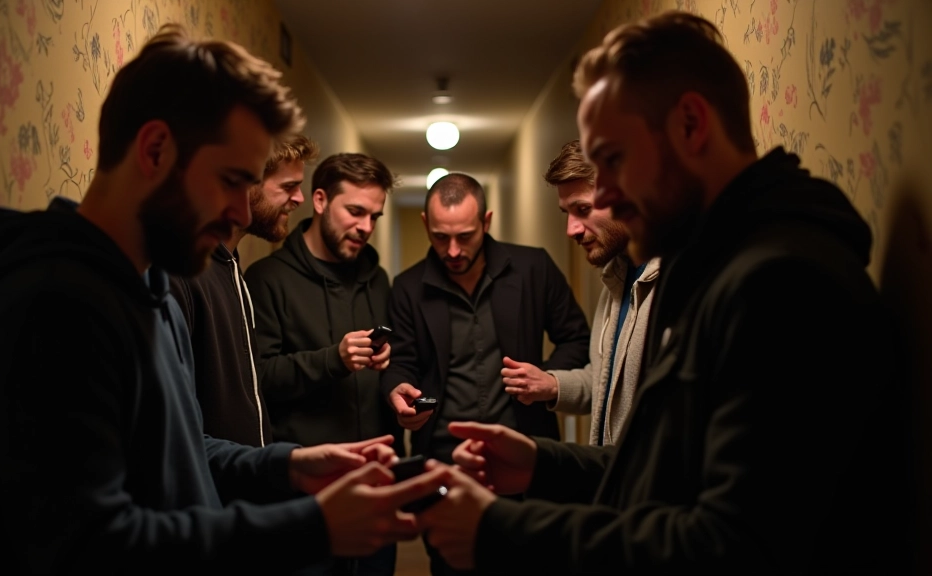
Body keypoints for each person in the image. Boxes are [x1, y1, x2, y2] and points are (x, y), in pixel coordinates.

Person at [0, 24, 447, 574]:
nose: (240, 212)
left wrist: (289, 465)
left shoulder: (150, 291)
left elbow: (182, 448)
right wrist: (315, 526)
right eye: (231, 180)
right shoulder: (55, 306)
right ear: (155, 150)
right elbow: (87, 548)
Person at [417, 11, 906, 574]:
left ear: (691, 125)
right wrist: (542, 465)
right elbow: (669, 477)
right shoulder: (705, 269)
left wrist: (501, 530)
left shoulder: (782, 286)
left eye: (613, 160)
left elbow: (731, 547)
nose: (605, 197)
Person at [381, 172, 590, 575]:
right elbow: (400, 363)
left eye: (465, 236)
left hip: (525, 454)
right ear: (425, 223)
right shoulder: (407, 287)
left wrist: (547, 380)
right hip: (444, 463)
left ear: (486, 221)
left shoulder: (533, 267)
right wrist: (397, 390)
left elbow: (576, 339)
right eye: (440, 237)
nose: (453, 250)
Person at [243, 152, 401, 576]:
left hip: (375, 486)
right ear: (318, 200)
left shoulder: (378, 280)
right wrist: (334, 359)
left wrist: (392, 374)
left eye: (374, 216)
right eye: (355, 211)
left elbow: (393, 365)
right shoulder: (267, 279)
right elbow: (259, 380)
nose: (366, 227)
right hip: (305, 496)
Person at [501, 140, 659, 446]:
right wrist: (552, 384)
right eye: (567, 212)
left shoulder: (676, 282)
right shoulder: (616, 279)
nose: (571, 229)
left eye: (583, 209)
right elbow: (607, 384)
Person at [170, 133, 319, 448]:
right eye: (288, 186)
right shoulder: (181, 272)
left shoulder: (232, 266)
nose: (299, 199)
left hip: (246, 473)